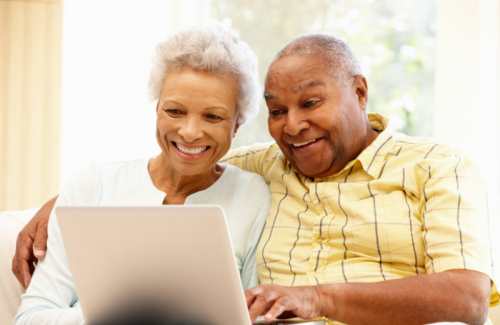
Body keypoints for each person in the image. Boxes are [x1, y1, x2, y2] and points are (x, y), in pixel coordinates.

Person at [13, 34, 497, 325]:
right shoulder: (267, 164)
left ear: (360, 92)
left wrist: (314, 297)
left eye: (310, 103)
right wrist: (61, 204)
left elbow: (469, 298)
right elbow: (187, 156)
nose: (292, 125)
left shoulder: (437, 166)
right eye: (277, 111)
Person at [13, 21, 271, 325]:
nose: (189, 132)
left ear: (237, 124)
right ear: (157, 108)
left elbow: (255, 316)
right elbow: (30, 317)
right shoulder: (93, 185)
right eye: (174, 111)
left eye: (213, 116)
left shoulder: (253, 196)